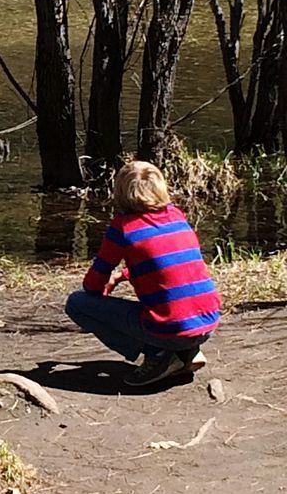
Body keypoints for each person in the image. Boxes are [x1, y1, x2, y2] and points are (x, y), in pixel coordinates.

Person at [66, 161, 222, 387]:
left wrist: (106, 282)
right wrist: (123, 275)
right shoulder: (176, 215)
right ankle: (188, 351)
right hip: (208, 322)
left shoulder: (123, 227)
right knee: (176, 308)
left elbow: (92, 285)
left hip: (172, 329)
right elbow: (168, 264)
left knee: (77, 303)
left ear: (121, 192)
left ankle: (158, 354)